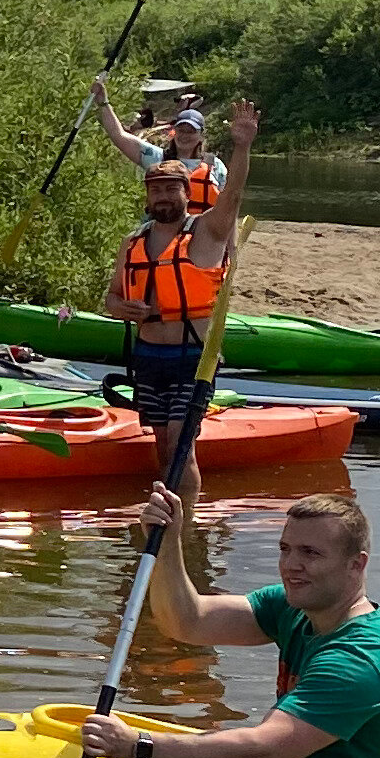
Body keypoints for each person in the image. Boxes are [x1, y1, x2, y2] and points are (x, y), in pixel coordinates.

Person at [76, 488, 380, 758]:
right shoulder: (292, 608)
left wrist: (136, 746)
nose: (290, 564)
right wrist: (168, 543)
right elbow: (187, 622)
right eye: (286, 549)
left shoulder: (360, 660)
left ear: (356, 564)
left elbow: (261, 754)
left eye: (310, 553)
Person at [105, 95, 260, 477]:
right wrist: (120, 308)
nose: (162, 197)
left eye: (170, 190)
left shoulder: (205, 232)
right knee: (162, 448)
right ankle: (176, 524)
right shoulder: (133, 241)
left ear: (185, 194)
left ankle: (184, 531)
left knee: (179, 446)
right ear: (147, 196)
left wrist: (242, 146)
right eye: (155, 190)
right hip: (148, 357)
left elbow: (234, 195)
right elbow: (111, 298)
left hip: (192, 359)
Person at [96, 78, 225, 213]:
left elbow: (229, 202)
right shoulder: (158, 158)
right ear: (175, 131)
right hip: (161, 230)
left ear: (201, 136)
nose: (185, 135)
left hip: (201, 231)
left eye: (191, 131)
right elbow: (119, 136)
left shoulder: (216, 166)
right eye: (181, 130)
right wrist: (103, 103)